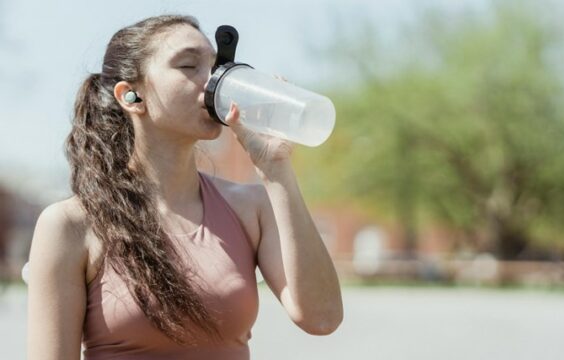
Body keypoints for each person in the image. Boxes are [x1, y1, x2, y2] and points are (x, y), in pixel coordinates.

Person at [26, 15, 343, 360]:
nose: (213, 82)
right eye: (189, 66)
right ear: (132, 96)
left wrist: (277, 170)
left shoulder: (251, 206)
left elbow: (322, 317)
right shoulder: (70, 224)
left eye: (217, 65)